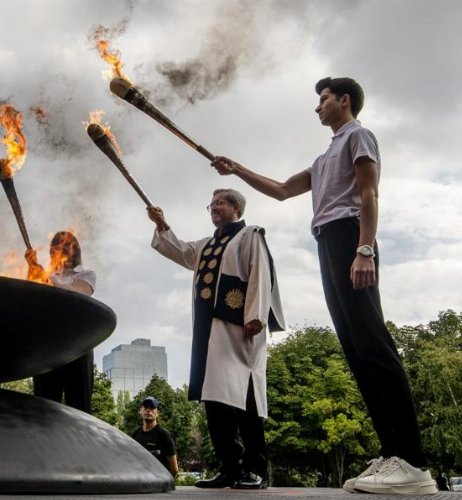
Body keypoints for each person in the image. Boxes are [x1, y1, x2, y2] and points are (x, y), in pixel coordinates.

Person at [211, 77, 437, 495]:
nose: (318, 107)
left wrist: (365, 249)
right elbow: (280, 191)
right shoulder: (323, 157)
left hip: (350, 236)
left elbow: (369, 194)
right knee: (355, 348)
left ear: (344, 100)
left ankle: (414, 461)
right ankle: (393, 455)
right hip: (327, 242)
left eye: (324, 99)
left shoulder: (359, 136)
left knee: (373, 342)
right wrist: (236, 169)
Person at [147, 188, 285, 489]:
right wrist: (162, 225)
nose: (213, 207)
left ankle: (256, 469)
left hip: (240, 329)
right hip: (209, 334)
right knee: (215, 399)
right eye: (210, 204)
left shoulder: (250, 236)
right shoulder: (206, 245)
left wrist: (255, 316)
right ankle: (229, 468)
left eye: (220, 202)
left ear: (236, 207)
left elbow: (260, 274)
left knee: (245, 397)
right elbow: (180, 251)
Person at [25, 231, 96, 413]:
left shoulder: (86, 275)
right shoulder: (47, 274)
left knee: (80, 406)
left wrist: (49, 278)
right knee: (43, 405)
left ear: (75, 250)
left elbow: (77, 294)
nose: (60, 253)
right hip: (49, 345)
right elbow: (30, 295)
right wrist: (32, 267)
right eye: (55, 249)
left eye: (65, 247)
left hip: (78, 345)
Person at [131, 396, 179, 478]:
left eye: (152, 408)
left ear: (157, 413)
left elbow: (174, 469)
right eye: (145, 407)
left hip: (159, 483)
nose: (148, 410)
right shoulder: (135, 434)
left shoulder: (164, 435)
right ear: (140, 411)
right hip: (140, 481)